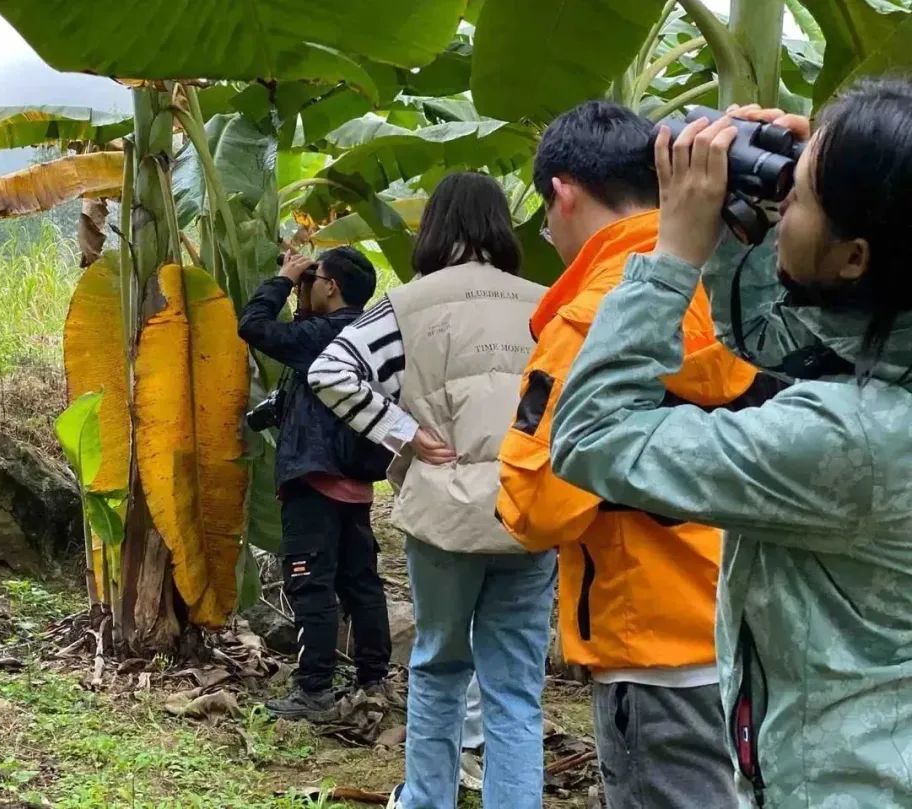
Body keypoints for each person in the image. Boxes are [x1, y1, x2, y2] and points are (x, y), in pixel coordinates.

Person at [550, 79, 912, 808]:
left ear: (853, 258)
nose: (784, 215)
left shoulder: (851, 439)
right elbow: (772, 343)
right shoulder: (887, 349)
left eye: (800, 197)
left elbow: (589, 436)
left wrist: (674, 249)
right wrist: (782, 207)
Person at [496, 101, 775, 809]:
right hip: (757, 634)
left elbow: (534, 509)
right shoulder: (743, 288)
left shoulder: (592, 315)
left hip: (656, 647)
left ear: (563, 191)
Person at [309, 171, 557, 809]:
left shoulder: (408, 306)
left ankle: (426, 800)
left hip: (443, 512)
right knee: (515, 686)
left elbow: (329, 370)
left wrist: (405, 433)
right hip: (528, 509)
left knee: (440, 666)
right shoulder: (546, 301)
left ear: (436, 227)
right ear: (501, 227)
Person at [237, 246, 393, 722]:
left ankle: (314, 691)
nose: (309, 283)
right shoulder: (372, 334)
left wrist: (283, 278)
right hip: (356, 481)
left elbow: (254, 325)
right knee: (360, 582)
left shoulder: (324, 335)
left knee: (310, 584)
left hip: (315, 478)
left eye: (314, 277)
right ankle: (373, 679)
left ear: (330, 286)